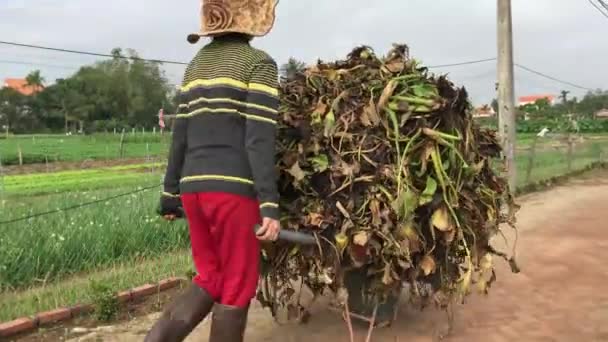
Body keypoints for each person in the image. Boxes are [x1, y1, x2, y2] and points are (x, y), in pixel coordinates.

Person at [146, 0, 281, 341]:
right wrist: (269, 205)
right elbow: (258, 139)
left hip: (193, 190)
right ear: (252, 19)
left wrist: (169, 194)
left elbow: (180, 136)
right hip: (233, 191)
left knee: (211, 277)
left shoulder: (196, 66)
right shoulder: (259, 64)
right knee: (237, 285)